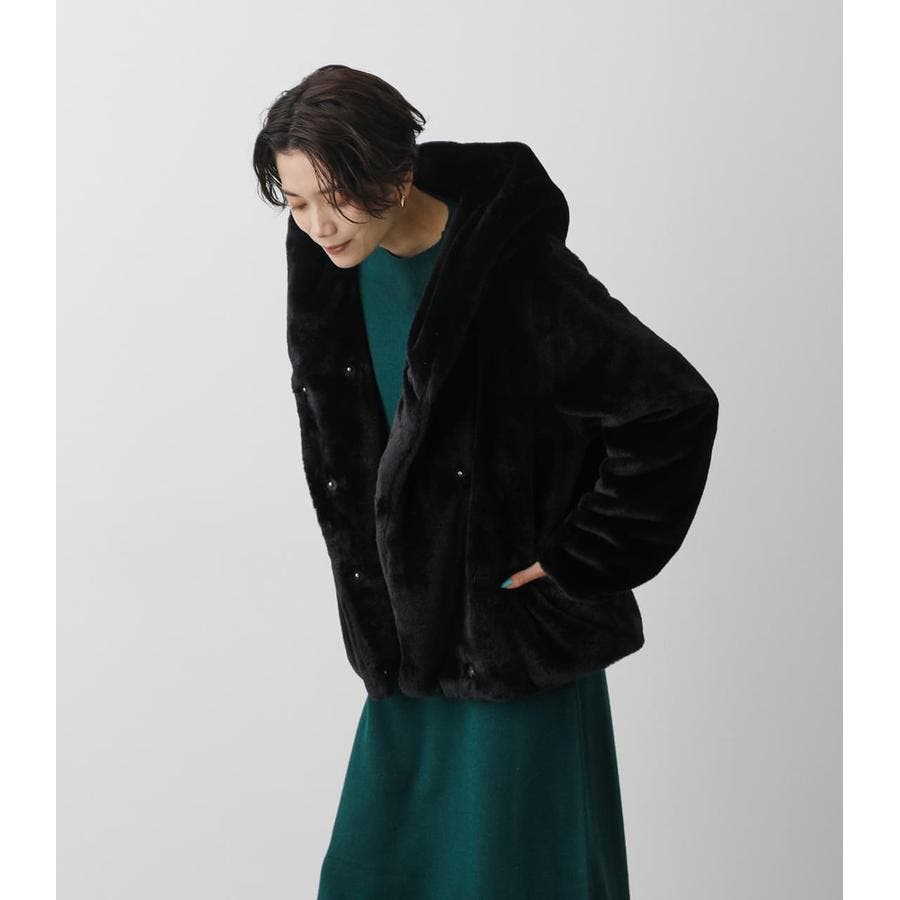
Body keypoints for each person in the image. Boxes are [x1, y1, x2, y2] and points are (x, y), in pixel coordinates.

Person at [253, 64, 719, 899]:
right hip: (403, 649)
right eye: (296, 202)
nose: (318, 224)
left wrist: (578, 558)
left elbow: (672, 408)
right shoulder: (327, 270)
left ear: (396, 171)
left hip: (510, 644)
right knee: (377, 871)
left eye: (336, 197)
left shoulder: (510, 273)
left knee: (518, 874)